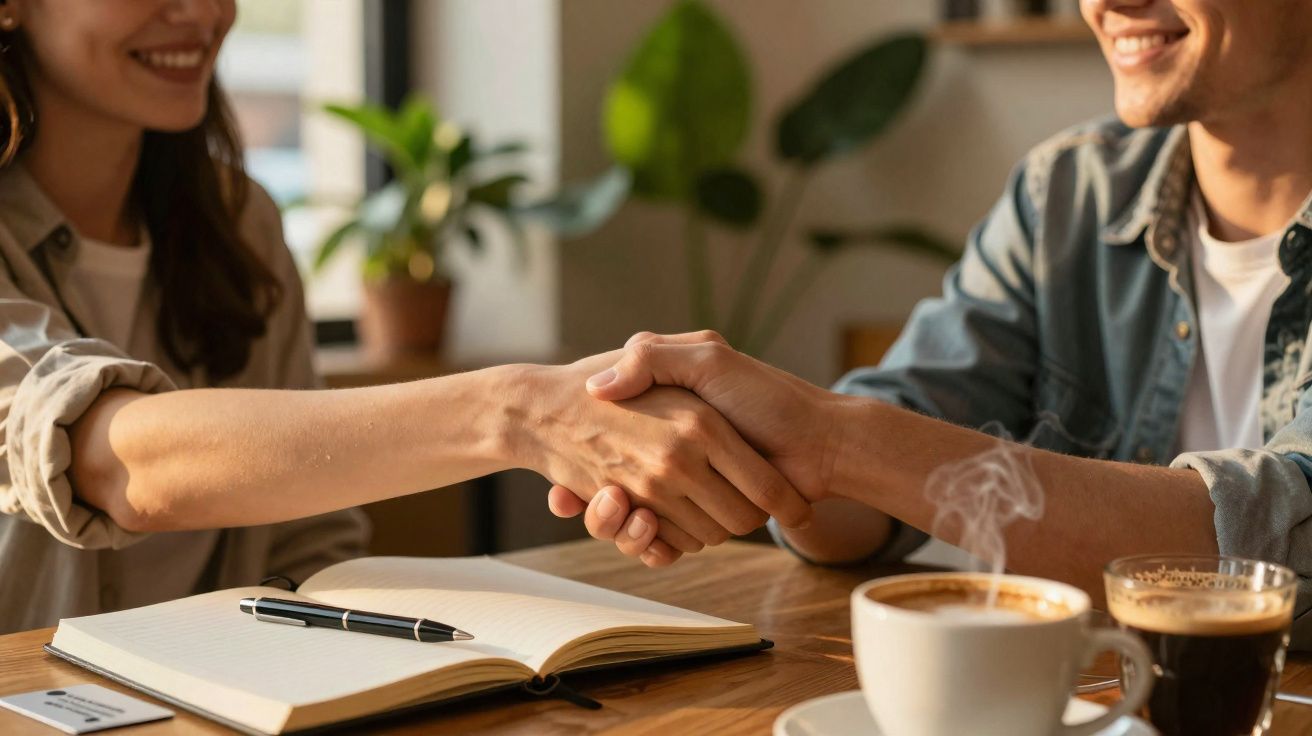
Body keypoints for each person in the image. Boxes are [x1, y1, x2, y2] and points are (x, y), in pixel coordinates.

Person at [0, 0, 815, 635]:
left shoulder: (236, 220)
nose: (203, 12)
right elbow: (108, 458)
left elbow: (306, 542)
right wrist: (518, 412)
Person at [551, 0, 1312, 644]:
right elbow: (875, 472)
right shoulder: (1070, 194)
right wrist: (731, 450)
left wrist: (831, 438)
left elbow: (1281, 539)